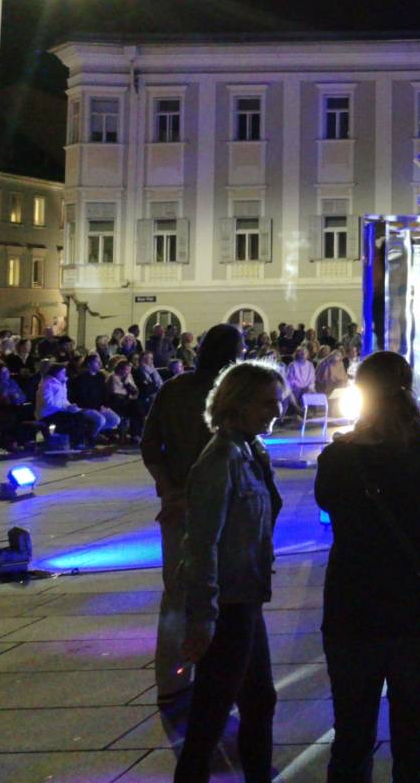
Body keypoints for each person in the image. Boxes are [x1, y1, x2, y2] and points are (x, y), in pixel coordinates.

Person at [316, 351, 420, 783]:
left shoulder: (338, 458)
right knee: (414, 735)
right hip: (416, 608)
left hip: (353, 603)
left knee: (352, 734)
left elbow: (328, 505)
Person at [174, 360, 285, 783]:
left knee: (256, 700)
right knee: (213, 710)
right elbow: (201, 543)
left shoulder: (251, 451)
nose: (276, 411)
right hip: (229, 604)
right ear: (238, 404)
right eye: (267, 403)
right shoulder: (221, 458)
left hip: (246, 597)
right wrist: (203, 615)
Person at [140, 323, 245, 706]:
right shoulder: (233, 393)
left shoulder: (174, 389)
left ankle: (171, 680)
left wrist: (169, 490)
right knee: (225, 592)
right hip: (225, 509)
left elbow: (150, 447)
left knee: (177, 592)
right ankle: (221, 677)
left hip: (177, 507)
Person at [35, 361, 105, 449]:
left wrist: (70, 406)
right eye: (62, 373)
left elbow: (63, 400)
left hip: (58, 410)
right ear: (56, 373)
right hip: (49, 413)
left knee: (80, 416)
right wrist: (66, 407)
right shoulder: (47, 384)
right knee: (75, 419)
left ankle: (81, 441)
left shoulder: (61, 383)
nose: (64, 374)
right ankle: (76, 442)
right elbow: (48, 402)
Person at [283, 345, 316, 415]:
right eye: (301, 351)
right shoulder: (292, 365)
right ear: (297, 353)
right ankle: (300, 412)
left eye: (305, 351)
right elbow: (290, 379)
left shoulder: (310, 365)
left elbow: (312, 379)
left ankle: (307, 412)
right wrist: (299, 386)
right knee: (297, 394)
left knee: (310, 393)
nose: (303, 353)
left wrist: (309, 387)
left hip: (307, 388)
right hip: (296, 388)